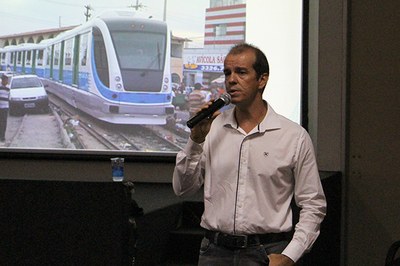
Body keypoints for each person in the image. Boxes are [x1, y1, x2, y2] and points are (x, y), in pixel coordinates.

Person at [173, 43, 326, 266]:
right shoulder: (211, 129)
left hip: (268, 252)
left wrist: (290, 254)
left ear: (262, 79)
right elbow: (182, 188)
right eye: (227, 73)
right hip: (214, 252)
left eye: (241, 72)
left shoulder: (293, 136)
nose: (231, 80)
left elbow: (313, 204)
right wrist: (195, 141)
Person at [0, 74, 10, 142]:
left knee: (4, 123)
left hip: (5, 108)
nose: (7, 81)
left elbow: (8, 98)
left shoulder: (8, 88)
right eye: (6, 80)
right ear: (2, 80)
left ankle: (2, 136)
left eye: (7, 80)